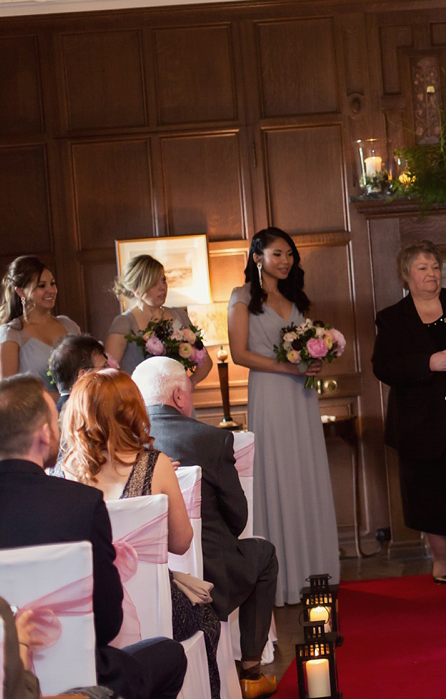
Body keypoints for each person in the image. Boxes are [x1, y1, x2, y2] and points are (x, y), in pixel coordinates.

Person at [0, 374, 187, 699]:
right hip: (83, 679)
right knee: (169, 654)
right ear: (44, 434)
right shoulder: (79, 505)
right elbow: (107, 623)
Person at [57, 369, 222, 699]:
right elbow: (180, 542)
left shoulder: (62, 472)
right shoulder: (154, 464)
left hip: (87, 612)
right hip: (158, 608)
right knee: (207, 619)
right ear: (132, 411)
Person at [131, 356, 280, 697]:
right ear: (180, 396)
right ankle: (251, 672)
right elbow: (238, 517)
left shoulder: (123, 446)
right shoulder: (210, 439)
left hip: (147, 584)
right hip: (213, 579)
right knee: (265, 554)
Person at [228, 227, 339, 605]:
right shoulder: (241, 297)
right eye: (278, 254)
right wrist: (289, 367)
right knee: (278, 471)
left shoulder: (295, 298)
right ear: (257, 257)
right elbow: (240, 354)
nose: (286, 261)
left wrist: (313, 361)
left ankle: (312, 571)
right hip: (271, 392)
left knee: (304, 470)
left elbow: (303, 347)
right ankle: (283, 577)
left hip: (302, 396)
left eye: (290, 254)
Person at [372, 240, 446, 584]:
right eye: (422, 268)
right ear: (406, 276)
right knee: (429, 493)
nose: (431, 274)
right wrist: (430, 362)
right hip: (420, 423)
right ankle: (441, 560)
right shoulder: (392, 317)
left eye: (435, 267)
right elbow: (384, 367)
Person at [106, 255, 213, 384]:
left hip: (177, 399)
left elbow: (206, 361)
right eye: (154, 283)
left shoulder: (179, 315)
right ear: (136, 289)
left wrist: (190, 383)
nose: (162, 287)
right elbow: (108, 373)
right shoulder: (124, 323)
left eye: (163, 280)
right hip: (141, 400)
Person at [1, 256, 82, 393]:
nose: (51, 290)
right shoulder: (11, 333)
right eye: (42, 286)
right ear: (21, 291)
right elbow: (8, 393)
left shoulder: (69, 325)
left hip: (75, 410)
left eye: (53, 283)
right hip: (35, 412)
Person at [48, 333, 110, 411]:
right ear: (83, 375)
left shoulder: (60, 410)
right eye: (104, 366)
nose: (109, 371)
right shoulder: (79, 414)